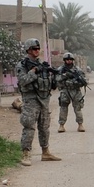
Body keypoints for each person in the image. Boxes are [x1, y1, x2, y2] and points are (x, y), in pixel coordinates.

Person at [16, 38, 61, 166]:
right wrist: (34, 71)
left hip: (44, 99)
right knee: (29, 126)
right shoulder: (22, 65)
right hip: (31, 99)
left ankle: (45, 152)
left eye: (38, 49)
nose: (37, 51)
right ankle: (26, 154)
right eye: (34, 49)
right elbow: (23, 80)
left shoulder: (43, 64)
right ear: (28, 50)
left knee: (44, 127)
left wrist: (53, 77)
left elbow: (51, 82)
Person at [56, 51, 88, 133]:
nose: (69, 61)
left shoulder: (77, 70)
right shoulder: (60, 69)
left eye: (70, 59)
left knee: (78, 108)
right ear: (64, 60)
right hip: (65, 91)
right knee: (63, 108)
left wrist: (77, 81)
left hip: (76, 91)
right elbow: (56, 79)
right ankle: (61, 125)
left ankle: (80, 125)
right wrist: (65, 75)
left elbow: (84, 80)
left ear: (73, 60)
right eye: (67, 60)